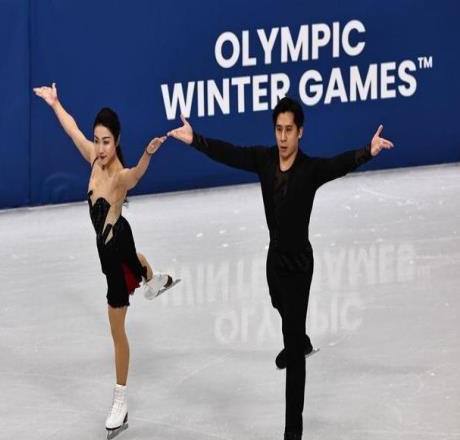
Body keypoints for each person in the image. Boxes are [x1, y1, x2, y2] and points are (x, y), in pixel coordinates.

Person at [168, 97, 393, 440]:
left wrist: (368, 151)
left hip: (300, 265)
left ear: (300, 132)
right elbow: (230, 153)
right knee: (277, 303)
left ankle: (293, 428)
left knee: (293, 345)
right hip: (275, 260)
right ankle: (299, 338)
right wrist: (195, 139)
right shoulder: (264, 160)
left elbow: (339, 164)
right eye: (278, 129)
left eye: (289, 130)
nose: (283, 137)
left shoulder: (310, 170)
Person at [33, 82, 177, 434]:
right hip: (115, 243)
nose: (99, 147)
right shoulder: (93, 159)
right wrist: (55, 103)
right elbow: (72, 129)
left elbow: (136, 175)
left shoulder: (118, 177)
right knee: (134, 259)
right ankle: (153, 280)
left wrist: (148, 155)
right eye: (97, 140)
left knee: (117, 332)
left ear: (117, 141)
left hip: (114, 254)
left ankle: (120, 401)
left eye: (106, 141)